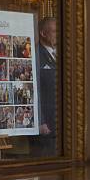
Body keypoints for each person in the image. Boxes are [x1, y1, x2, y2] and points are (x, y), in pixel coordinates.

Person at [32, 17, 58, 156]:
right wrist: (40, 121)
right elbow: (35, 90)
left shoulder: (64, 53)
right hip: (46, 126)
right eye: (54, 31)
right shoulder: (36, 54)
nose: (58, 35)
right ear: (43, 33)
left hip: (63, 123)